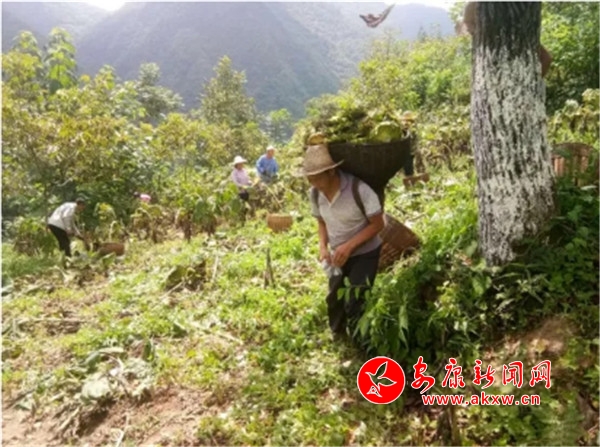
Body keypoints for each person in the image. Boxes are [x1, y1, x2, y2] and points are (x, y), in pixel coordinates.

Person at [300, 141, 384, 344]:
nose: (313, 183)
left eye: (317, 178)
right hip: (337, 254)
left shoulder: (359, 189)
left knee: (356, 298)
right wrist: (323, 247)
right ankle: (338, 335)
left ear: (331, 172)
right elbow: (321, 222)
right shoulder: (315, 194)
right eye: (310, 179)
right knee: (334, 297)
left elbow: (378, 224)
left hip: (365, 253)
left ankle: (360, 342)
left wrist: (349, 246)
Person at [459, 2, 552, 78]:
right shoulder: (475, 5)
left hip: (518, 40)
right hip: (491, 52)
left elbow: (547, 59)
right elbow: (468, 24)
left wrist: (531, 83)